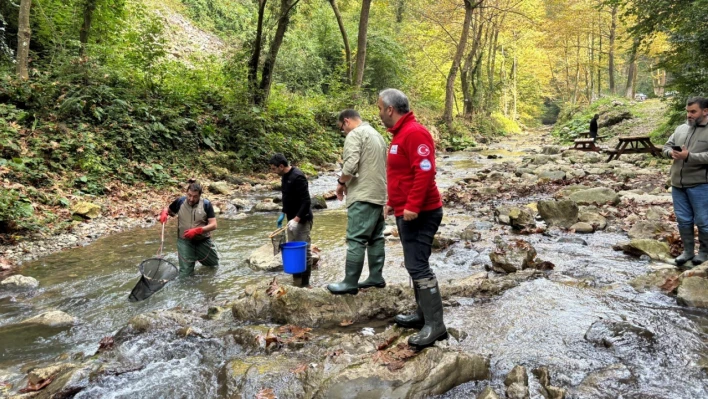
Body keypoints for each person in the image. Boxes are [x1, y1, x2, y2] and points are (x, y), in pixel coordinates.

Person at [378, 88, 446, 347]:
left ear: (390, 109)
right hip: (405, 210)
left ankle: (435, 325)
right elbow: (402, 176)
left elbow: (425, 172)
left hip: (422, 212)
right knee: (413, 264)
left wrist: (413, 206)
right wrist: (392, 202)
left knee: (418, 265)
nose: (379, 113)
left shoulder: (415, 133)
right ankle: (422, 315)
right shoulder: (400, 135)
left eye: (379, 108)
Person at [327, 109, 388, 295]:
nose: (342, 132)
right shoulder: (378, 135)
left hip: (362, 195)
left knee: (356, 239)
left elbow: (351, 165)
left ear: (346, 122)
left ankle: (350, 282)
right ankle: (376, 277)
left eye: (341, 128)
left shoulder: (355, 134)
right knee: (376, 238)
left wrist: (340, 183)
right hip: (379, 194)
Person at [663, 96, 708, 268]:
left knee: (704, 220)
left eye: (693, 112)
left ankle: (704, 252)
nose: (689, 115)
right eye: (688, 111)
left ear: (705, 111)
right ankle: (688, 251)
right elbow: (666, 147)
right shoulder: (681, 128)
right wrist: (670, 154)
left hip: (701, 184)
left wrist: (689, 156)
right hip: (678, 184)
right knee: (683, 220)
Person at [269, 153, 313, 287]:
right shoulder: (284, 176)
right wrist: (283, 213)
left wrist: (296, 219)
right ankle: (296, 280)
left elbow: (306, 201)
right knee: (294, 251)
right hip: (291, 219)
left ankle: (305, 283)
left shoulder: (298, 177)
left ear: (281, 166)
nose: (273, 172)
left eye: (274, 169)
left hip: (302, 220)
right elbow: (287, 197)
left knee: (304, 251)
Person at [159, 179, 219, 277]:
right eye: (189, 195)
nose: (191, 199)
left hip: (203, 240)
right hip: (184, 241)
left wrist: (198, 230)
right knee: (185, 274)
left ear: (199, 196)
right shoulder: (180, 202)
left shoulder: (206, 204)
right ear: (186, 193)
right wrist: (164, 213)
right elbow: (168, 210)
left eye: (195, 197)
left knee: (213, 265)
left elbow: (214, 225)